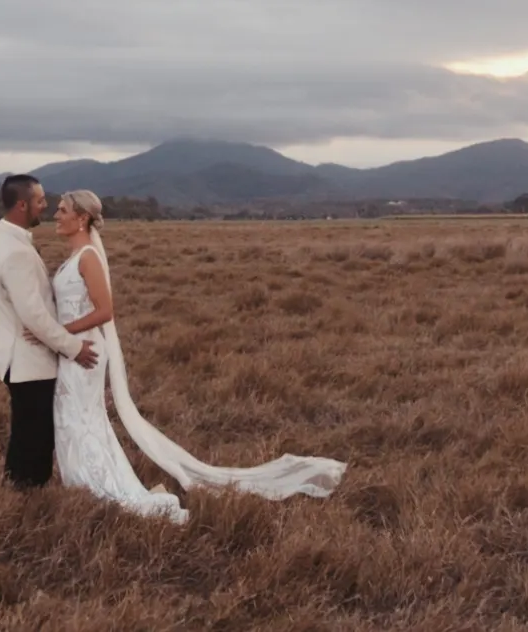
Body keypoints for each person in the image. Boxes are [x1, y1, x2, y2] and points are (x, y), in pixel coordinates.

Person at [36, 189, 345, 521]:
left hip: (85, 353)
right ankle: (85, 483)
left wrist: (59, 332)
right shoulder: (75, 256)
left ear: (81, 217)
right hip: (72, 350)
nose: (56, 215)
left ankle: (100, 487)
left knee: (80, 420)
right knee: (73, 420)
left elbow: (105, 311)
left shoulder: (88, 257)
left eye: (62, 210)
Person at [0, 174, 98, 489]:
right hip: (28, 361)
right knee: (35, 439)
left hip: (16, 358)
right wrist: (74, 347)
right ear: (22, 205)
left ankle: (16, 494)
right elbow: (34, 315)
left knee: (25, 434)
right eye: (40, 200)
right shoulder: (15, 251)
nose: (46, 206)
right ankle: (26, 500)